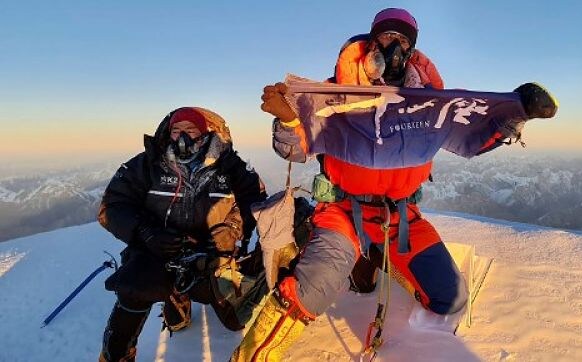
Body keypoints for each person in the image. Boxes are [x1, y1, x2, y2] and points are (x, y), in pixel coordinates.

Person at [232, 7, 558, 361]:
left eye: (403, 41)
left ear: (413, 50)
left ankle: (374, 257)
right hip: (342, 214)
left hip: (401, 219)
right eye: (387, 38)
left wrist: (514, 114)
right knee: (310, 292)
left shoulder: (431, 104)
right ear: (372, 42)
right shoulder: (335, 94)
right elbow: (294, 150)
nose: (395, 47)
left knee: (451, 297)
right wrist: (287, 120)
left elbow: (471, 137)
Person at [97, 106, 268, 362]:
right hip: (157, 252)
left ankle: (180, 296)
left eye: (191, 130)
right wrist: (145, 232)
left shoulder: (230, 167)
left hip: (213, 256)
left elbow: (256, 202)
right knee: (133, 287)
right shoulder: (148, 164)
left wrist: (232, 229)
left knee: (235, 320)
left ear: (207, 134)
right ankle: (116, 356)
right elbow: (112, 206)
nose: (182, 137)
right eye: (176, 130)